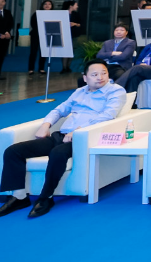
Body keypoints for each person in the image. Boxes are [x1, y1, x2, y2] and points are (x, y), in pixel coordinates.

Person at [0, 60, 126, 218]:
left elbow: (107, 115)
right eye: (95, 74)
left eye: (104, 73)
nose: (100, 77)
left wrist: (78, 130)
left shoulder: (115, 91)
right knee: (13, 151)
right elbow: (60, 110)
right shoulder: (80, 91)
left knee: (57, 153)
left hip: (83, 137)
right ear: (85, 78)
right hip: (61, 135)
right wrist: (46, 125)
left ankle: (46, 197)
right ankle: (19, 197)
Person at [26, 0, 53, 75]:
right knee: (33, 52)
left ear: (51, 6)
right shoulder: (37, 13)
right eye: (45, 4)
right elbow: (33, 24)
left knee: (43, 53)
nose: (47, 5)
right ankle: (31, 69)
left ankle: (41, 68)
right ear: (42, 5)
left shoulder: (53, 14)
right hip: (36, 35)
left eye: (49, 4)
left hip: (46, 35)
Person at [60, 0, 83, 74]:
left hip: (73, 34)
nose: (77, 6)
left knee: (71, 51)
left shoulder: (76, 14)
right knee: (65, 51)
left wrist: (74, 24)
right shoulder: (62, 13)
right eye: (76, 5)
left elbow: (80, 24)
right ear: (71, 6)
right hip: (63, 34)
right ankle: (64, 67)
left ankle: (68, 67)